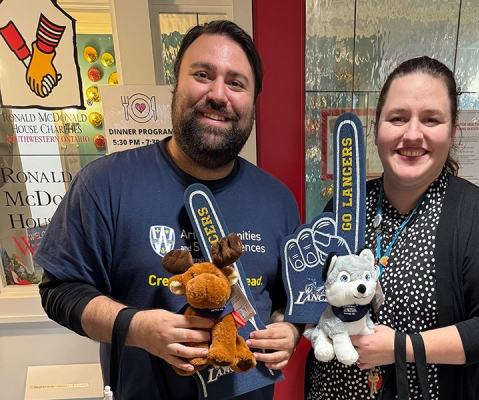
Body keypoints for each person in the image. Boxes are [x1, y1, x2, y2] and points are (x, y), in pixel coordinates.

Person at [34, 20, 302, 400]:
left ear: (253, 101)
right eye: (203, 74)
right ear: (176, 87)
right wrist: (137, 327)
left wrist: (288, 329)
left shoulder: (277, 199)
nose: (218, 94)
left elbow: (288, 298)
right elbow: (60, 291)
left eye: (237, 83)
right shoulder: (106, 183)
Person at [305, 56, 479, 400]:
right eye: (397, 118)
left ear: (452, 131)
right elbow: (309, 287)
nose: (412, 133)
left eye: (431, 119)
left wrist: (400, 347)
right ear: (377, 127)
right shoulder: (345, 207)